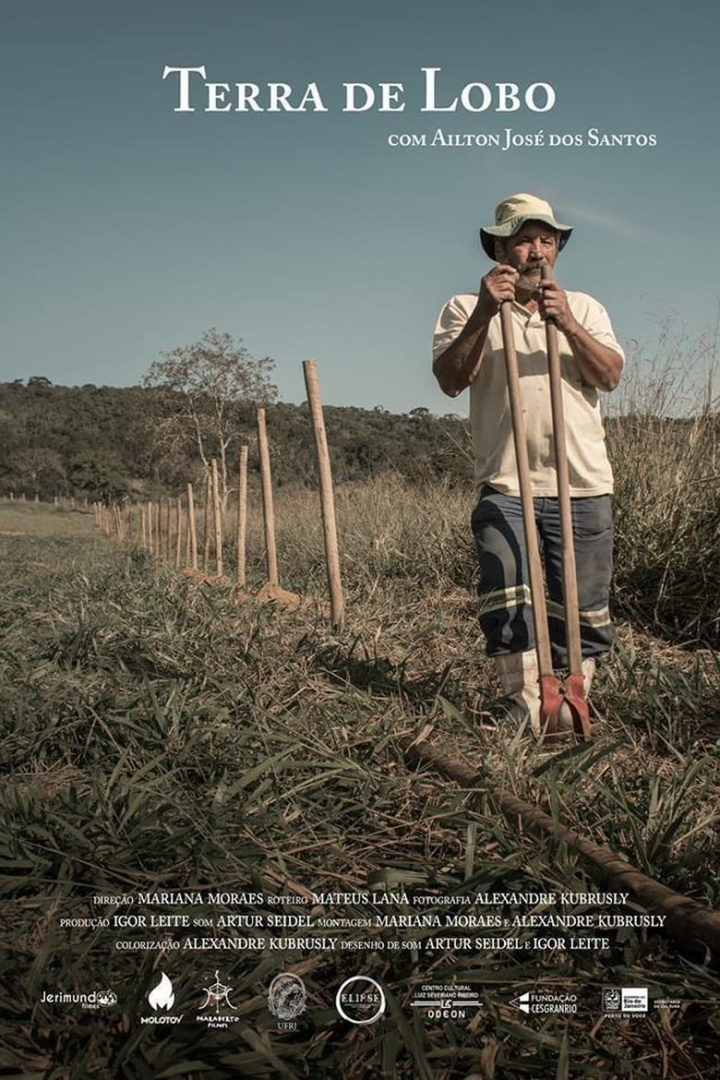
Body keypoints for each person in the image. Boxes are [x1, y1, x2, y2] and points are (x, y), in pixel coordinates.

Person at [432, 193, 624, 735]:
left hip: (581, 479)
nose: (537, 251)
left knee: (583, 601)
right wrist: (484, 311)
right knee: (508, 589)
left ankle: (573, 694)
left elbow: (609, 375)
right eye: (523, 239)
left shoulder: (584, 307)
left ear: (557, 248)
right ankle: (526, 700)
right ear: (498, 248)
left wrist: (565, 323)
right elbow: (450, 380)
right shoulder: (464, 307)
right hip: (506, 479)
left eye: (547, 239)